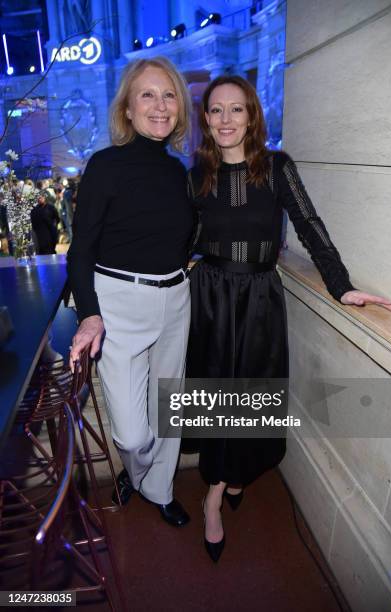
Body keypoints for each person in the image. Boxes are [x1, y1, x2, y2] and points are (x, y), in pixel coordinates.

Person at [186, 75, 391, 562]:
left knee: (255, 391)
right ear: (205, 119)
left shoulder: (276, 167)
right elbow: (181, 236)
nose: (225, 120)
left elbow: (309, 224)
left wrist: (342, 285)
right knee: (218, 392)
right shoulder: (195, 173)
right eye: (215, 110)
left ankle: (237, 471)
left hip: (261, 295)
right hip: (211, 298)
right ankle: (214, 495)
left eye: (235, 109)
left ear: (251, 115)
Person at [67, 57, 194, 527]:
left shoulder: (179, 171)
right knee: (133, 431)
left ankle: (158, 490)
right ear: (127, 108)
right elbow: (80, 249)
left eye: (169, 95)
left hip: (176, 299)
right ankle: (139, 474)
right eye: (147, 95)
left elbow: (180, 237)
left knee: (169, 408)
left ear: (179, 107)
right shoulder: (105, 166)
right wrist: (90, 313)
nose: (159, 106)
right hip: (119, 303)